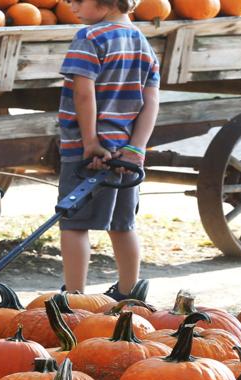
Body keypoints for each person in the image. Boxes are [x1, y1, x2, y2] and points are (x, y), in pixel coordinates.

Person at [57, 0, 161, 302]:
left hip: (86, 150)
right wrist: (135, 148)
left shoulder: (89, 38)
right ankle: (130, 292)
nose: (70, 4)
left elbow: (83, 92)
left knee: (74, 223)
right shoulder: (142, 43)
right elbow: (151, 101)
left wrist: (90, 141)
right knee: (122, 224)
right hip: (124, 153)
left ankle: (74, 296)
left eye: (78, 0)